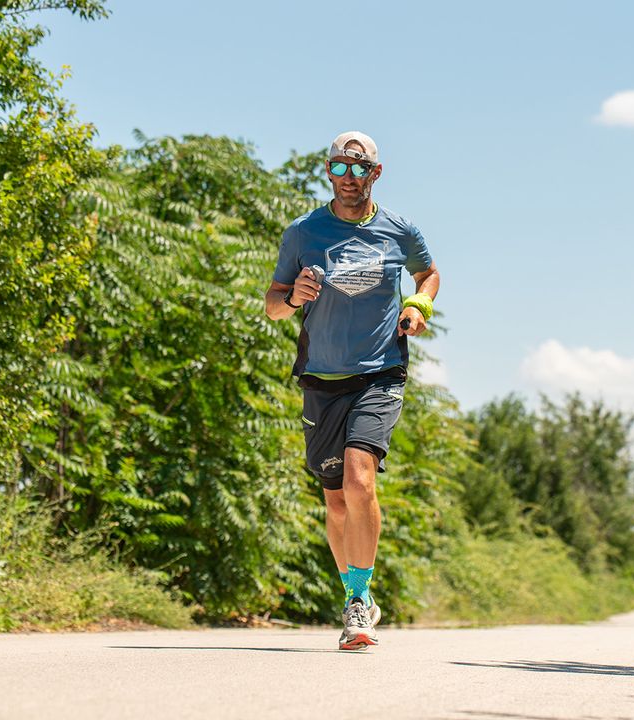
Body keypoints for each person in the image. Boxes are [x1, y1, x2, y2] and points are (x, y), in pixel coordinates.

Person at [264, 131, 439, 651]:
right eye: (339, 168)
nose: (348, 179)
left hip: (380, 372)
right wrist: (292, 296)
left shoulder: (398, 230)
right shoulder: (303, 233)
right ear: (328, 172)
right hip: (321, 378)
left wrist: (418, 307)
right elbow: (272, 304)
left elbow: (428, 275)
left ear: (375, 175)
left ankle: (358, 608)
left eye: (358, 169)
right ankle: (355, 591)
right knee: (336, 502)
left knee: (361, 479)